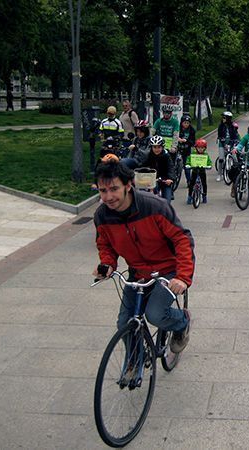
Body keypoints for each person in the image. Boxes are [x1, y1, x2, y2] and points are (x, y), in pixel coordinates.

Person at [93, 159, 194, 353]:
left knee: (155, 314)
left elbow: (182, 239)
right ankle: (134, 360)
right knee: (125, 322)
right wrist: (107, 263)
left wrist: (182, 276)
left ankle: (182, 322)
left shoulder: (155, 207)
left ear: (128, 185)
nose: (108, 197)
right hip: (138, 272)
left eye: (114, 189)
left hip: (168, 270)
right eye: (102, 191)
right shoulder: (102, 216)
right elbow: (105, 244)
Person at [138, 135, 176, 203]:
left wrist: (170, 178)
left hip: (164, 179)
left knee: (167, 202)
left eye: (159, 147)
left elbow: (171, 168)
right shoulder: (149, 155)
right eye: (154, 147)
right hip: (151, 179)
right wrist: (138, 174)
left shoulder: (166, 156)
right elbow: (142, 166)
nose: (156, 149)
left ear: (162, 147)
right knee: (142, 196)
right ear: (151, 147)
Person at [186, 139, 213, 204]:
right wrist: (188, 164)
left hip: (202, 171)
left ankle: (204, 196)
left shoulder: (205, 155)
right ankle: (189, 196)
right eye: (199, 148)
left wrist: (209, 165)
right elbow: (189, 160)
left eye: (202, 148)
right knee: (191, 184)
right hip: (194, 170)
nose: (200, 149)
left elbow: (209, 162)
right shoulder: (193, 154)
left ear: (204, 148)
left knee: (204, 183)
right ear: (196, 148)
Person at [216, 111, 238, 181]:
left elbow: (235, 136)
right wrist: (222, 141)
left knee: (234, 158)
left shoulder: (233, 126)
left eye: (224, 117)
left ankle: (234, 173)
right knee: (221, 159)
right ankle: (219, 174)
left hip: (230, 143)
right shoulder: (221, 126)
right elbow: (219, 135)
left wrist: (234, 142)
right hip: (222, 143)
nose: (223, 119)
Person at [177, 114, 196, 186]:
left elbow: (193, 142)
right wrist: (178, 139)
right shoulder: (178, 129)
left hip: (186, 150)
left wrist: (186, 141)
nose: (186, 124)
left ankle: (189, 181)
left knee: (187, 167)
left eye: (187, 123)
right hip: (178, 149)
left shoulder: (192, 130)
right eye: (184, 123)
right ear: (181, 122)